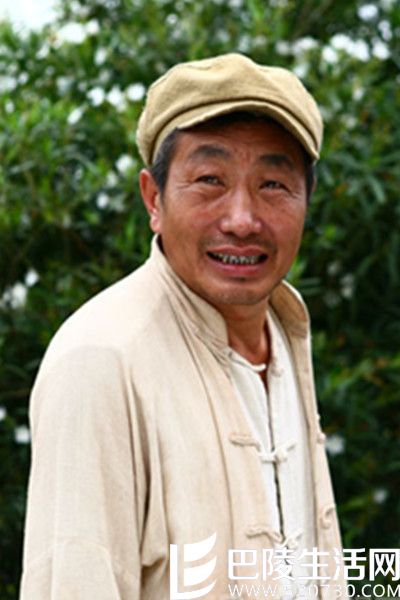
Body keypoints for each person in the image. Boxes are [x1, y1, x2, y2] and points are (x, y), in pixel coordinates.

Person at [20, 53, 346, 599]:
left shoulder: (285, 334)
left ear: (306, 202)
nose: (241, 219)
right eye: (210, 180)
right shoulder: (100, 359)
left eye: (273, 184)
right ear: (154, 198)